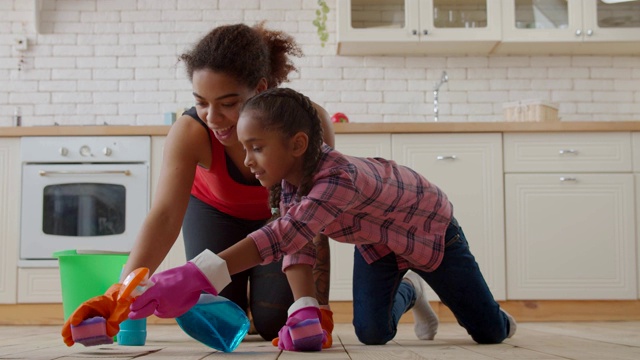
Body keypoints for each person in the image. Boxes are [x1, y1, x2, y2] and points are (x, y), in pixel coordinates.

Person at [126, 87, 517, 352]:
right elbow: (296, 244)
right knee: (372, 333)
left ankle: (484, 313)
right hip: (378, 242)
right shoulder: (288, 182)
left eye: (257, 148)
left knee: (490, 334)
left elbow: (285, 234)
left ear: (297, 144)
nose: (247, 161)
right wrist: (305, 308)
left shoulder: (337, 178)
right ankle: (410, 291)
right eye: (245, 148)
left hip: (431, 232)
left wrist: (198, 274)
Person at [60, 23, 335, 346]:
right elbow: (164, 216)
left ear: (260, 88)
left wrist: (315, 307)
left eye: (228, 103)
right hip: (215, 214)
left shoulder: (307, 124)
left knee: (275, 322)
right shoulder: (190, 132)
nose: (213, 117)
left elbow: (314, 216)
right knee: (219, 313)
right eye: (202, 102)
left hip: (281, 220)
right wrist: (120, 293)